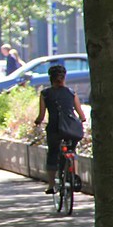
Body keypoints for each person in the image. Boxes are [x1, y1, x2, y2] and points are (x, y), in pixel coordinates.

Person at [34, 65, 86, 194]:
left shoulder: (45, 94)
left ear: (50, 78)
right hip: (71, 129)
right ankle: (74, 175)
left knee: (52, 153)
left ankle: (51, 185)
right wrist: (82, 119)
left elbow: (41, 115)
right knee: (72, 151)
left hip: (54, 129)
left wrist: (37, 122)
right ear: (64, 78)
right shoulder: (71, 93)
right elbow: (82, 115)